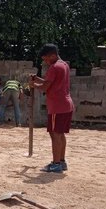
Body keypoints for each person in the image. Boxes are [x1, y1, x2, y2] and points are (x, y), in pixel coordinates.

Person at [29, 44, 75, 173]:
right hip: (66, 104)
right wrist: (37, 79)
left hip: (57, 106)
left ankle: (55, 164)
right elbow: (50, 82)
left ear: (53, 55)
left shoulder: (54, 68)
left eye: (46, 59)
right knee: (60, 134)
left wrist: (33, 84)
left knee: (55, 135)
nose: (45, 62)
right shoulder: (64, 65)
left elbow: (44, 87)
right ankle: (61, 161)